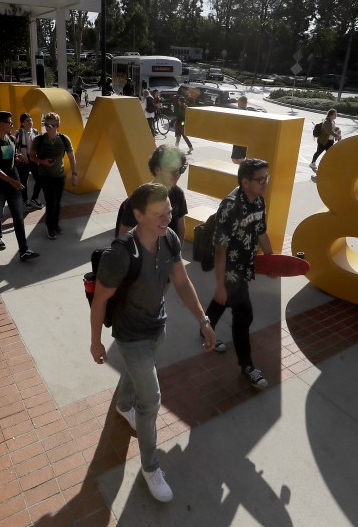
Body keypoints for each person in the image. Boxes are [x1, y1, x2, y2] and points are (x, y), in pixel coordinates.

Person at [90, 182, 216, 503]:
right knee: (151, 401)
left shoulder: (169, 238)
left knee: (136, 378)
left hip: (157, 327)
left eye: (170, 212)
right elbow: (100, 301)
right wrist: (96, 342)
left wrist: (202, 319)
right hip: (131, 337)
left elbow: (181, 281)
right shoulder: (120, 254)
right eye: (158, 214)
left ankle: (122, 404)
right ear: (138, 215)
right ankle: (150, 467)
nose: (167, 219)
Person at [203, 158, 274, 385]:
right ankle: (247, 366)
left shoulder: (259, 201)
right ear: (245, 182)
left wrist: (271, 260)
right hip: (230, 269)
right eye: (260, 179)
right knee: (244, 315)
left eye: (266, 178)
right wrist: (221, 284)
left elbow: (261, 232)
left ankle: (205, 326)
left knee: (222, 301)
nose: (265, 183)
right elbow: (220, 250)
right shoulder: (230, 208)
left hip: (246, 265)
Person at [0, 111, 40, 261]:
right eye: (9, 123)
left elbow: (7, 160)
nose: (12, 125)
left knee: (18, 218)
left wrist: (17, 158)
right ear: (0, 124)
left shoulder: (11, 139)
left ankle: (24, 250)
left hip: (14, 186)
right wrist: (13, 181)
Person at [117, 145, 189, 244]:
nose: (177, 175)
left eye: (181, 170)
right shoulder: (139, 198)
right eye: (172, 170)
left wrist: (176, 253)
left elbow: (181, 227)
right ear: (157, 169)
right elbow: (124, 236)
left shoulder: (178, 193)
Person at [29, 112, 78, 239]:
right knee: (51, 201)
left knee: (58, 202)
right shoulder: (39, 139)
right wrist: (43, 161)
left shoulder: (63, 139)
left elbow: (72, 157)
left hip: (59, 175)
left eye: (52, 125)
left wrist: (74, 174)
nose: (49, 128)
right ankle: (49, 226)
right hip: (45, 175)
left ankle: (55, 224)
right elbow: (31, 156)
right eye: (47, 125)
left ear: (58, 126)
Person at [14, 113, 44, 210]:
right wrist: (22, 156)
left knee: (39, 180)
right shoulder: (19, 132)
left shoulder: (35, 131)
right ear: (22, 123)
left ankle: (34, 198)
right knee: (24, 180)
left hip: (33, 159)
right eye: (27, 121)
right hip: (23, 160)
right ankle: (24, 199)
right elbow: (15, 148)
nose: (30, 122)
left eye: (31, 120)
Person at [309, 109, 342, 174]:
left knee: (330, 154)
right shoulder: (326, 121)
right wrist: (336, 135)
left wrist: (337, 129)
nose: (336, 115)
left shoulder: (332, 122)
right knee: (319, 152)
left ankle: (328, 166)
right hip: (323, 141)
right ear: (330, 115)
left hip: (330, 141)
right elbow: (328, 131)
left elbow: (333, 128)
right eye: (335, 114)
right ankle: (312, 163)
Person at [230, 96, 249, 164]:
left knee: (235, 158)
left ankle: (242, 169)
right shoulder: (249, 112)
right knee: (242, 157)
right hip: (245, 138)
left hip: (238, 137)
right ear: (246, 103)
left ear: (239, 102)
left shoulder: (238, 112)